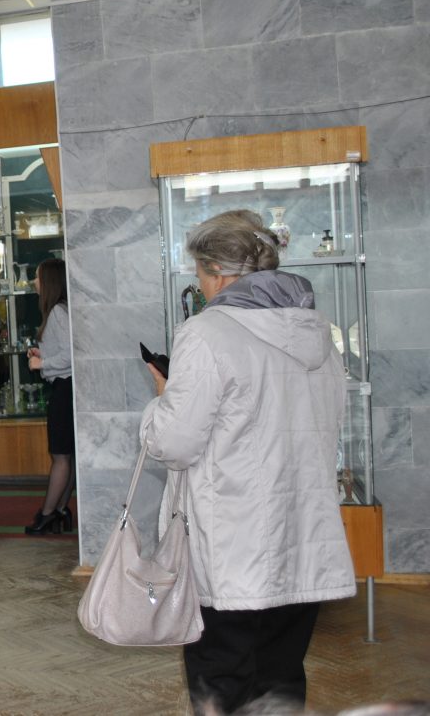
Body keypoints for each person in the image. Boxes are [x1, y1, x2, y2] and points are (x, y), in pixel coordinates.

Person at [140, 210, 355, 714]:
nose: (200, 286)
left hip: (233, 545)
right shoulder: (316, 331)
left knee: (222, 678)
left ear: (217, 272)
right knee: (280, 676)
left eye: (199, 273)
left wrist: (161, 401)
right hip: (302, 537)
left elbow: (174, 442)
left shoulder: (207, 332)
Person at [24, 258, 75, 535]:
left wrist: (41, 363)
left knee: (60, 456)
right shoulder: (62, 310)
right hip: (67, 388)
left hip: (64, 389)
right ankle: (60, 509)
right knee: (67, 455)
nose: (34, 282)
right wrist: (43, 355)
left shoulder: (57, 311)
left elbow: (70, 355)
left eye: (37, 277)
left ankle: (47, 515)